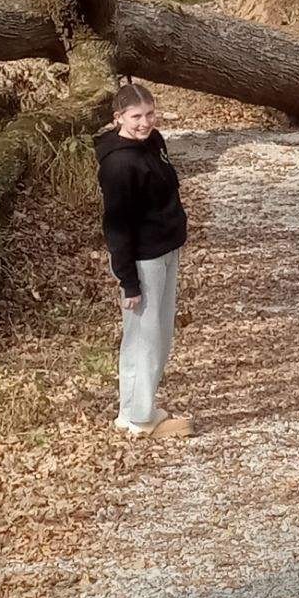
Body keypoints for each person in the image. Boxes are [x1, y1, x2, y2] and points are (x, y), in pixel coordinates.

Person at [96, 83, 193, 437]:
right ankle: (141, 416)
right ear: (118, 117)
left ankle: (130, 411)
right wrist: (128, 281)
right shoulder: (119, 164)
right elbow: (117, 227)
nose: (144, 122)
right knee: (147, 337)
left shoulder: (154, 141)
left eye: (150, 114)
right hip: (143, 259)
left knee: (152, 334)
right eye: (136, 116)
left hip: (167, 247)